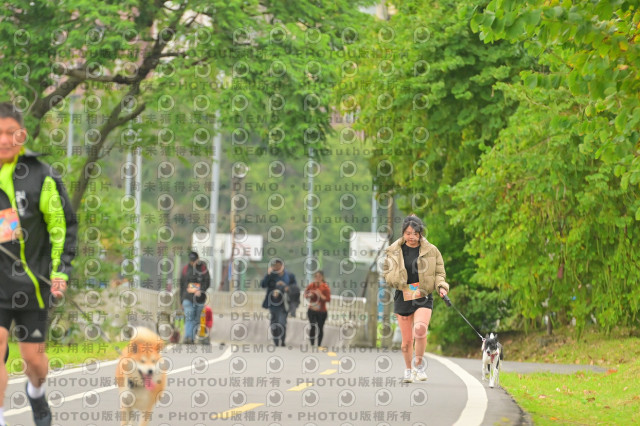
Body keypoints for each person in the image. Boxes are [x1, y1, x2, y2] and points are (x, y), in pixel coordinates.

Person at [0, 102, 78, 426]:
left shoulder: (41, 175)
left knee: (34, 361)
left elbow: (62, 228)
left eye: (10, 132)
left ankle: (36, 392)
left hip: (33, 284)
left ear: (22, 135)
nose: (4, 140)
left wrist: (60, 272)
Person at [382, 214, 449, 383]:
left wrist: (441, 287)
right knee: (406, 340)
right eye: (408, 233)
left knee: (420, 330)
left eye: (415, 233)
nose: (411, 237)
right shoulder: (393, 251)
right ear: (403, 233)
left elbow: (439, 273)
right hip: (403, 295)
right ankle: (408, 369)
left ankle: (418, 366)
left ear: (420, 233)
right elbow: (387, 274)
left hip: (423, 294)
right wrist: (398, 281)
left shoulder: (431, 250)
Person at [260, 259, 297, 346]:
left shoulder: (289, 276)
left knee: (282, 322)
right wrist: (268, 275)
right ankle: (276, 341)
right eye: (275, 266)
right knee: (274, 322)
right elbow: (263, 285)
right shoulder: (271, 276)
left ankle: (282, 340)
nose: (276, 267)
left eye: (278, 265)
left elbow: (295, 287)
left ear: (282, 266)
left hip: (284, 304)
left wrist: (286, 287)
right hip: (273, 303)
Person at [179, 251, 210, 344]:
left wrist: (201, 290)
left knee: (196, 319)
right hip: (187, 298)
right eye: (191, 261)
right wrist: (181, 300)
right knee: (189, 317)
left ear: (198, 259)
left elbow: (207, 282)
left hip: (200, 299)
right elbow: (181, 285)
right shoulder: (185, 269)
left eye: (194, 260)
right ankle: (188, 337)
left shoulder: (203, 268)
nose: (193, 262)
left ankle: (192, 337)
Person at [304, 270, 331, 347]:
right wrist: (310, 295)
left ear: (322, 277)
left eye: (319, 277)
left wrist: (321, 295)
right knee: (312, 325)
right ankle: (312, 343)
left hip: (321, 311)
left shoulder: (325, 287)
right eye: (316, 276)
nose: (317, 278)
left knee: (320, 327)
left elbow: (328, 299)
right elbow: (305, 294)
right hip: (312, 310)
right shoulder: (311, 285)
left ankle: (319, 344)